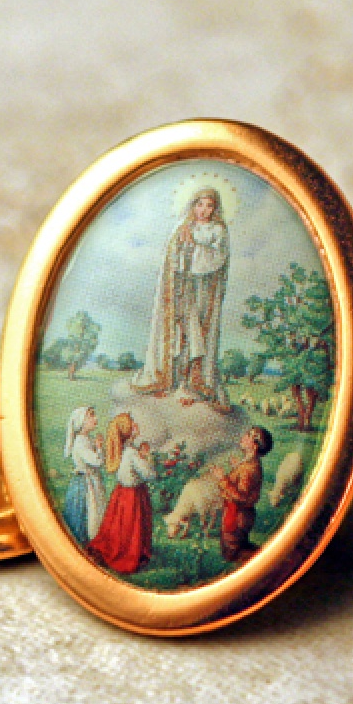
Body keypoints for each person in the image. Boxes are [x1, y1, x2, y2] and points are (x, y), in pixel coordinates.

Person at [132, 186, 230, 408]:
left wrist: (195, 246)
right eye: (200, 204)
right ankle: (170, 382)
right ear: (193, 205)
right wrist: (180, 247)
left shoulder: (218, 231)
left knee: (196, 337)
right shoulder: (182, 227)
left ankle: (191, 385)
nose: (203, 210)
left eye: (209, 206)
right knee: (179, 335)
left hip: (203, 291)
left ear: (215, 208)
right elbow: (171, 259)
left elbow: (218, 258)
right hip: (181, 289)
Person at [87, 413, 155, 573]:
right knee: (130, 528)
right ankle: (129, 554)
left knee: (118, 525)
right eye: (133, 423)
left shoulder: (122, 449)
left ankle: (119, 550)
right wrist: (148, 459)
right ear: (128, 430)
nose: (136, 425)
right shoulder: (132, 452)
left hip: (120, 494)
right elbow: (149, 474)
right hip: (133, 495)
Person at [209, 426, 273, 562]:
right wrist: (236, 468)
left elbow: (241, 496)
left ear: (255, 446)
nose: (244, 436)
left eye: (249, 435)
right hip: (236, 513)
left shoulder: (249, 469)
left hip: (237, 515)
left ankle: (270, 560)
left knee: (232, 553)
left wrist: (222, 478)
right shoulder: (248, 463)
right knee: (235, 547)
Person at [62, 406, 107, 544]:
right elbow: (97, 461)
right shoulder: (80, 442)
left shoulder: (87, 439)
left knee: (97, 512)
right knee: (88, 513)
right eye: (91, 416)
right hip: (85, 484)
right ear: (82, 421)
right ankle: (88, 541)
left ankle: (96, 539)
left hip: (92, 481)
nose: (95, 418)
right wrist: (99, 448)